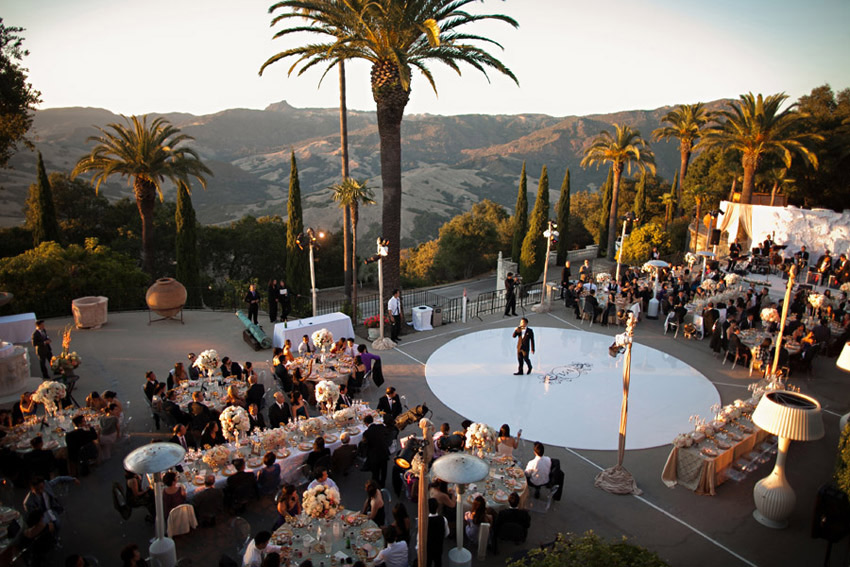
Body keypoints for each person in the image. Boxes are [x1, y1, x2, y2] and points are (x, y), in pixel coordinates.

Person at [363, 414, 391, 487]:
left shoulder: (366, 433)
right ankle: (383, 484)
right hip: (384, 452)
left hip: (375, 456)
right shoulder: (381, 427)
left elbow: (365, 445)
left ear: (366, 423)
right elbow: (387, 434)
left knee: (375, 473)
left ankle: (376, 487)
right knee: (384, 471)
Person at [422, 498, 449, 567]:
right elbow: (446, 533)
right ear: (437, 508)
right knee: (438, 562)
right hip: (438, 547)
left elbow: (420, 537)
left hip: (428, 549)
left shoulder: (424, 522)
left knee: (428, 563)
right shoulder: (443, 519)